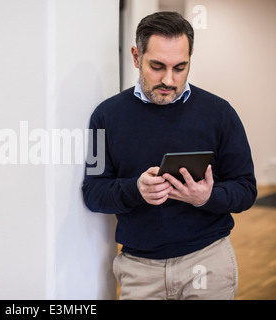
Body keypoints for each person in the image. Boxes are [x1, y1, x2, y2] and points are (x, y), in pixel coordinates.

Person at [82, 11, 257, 300]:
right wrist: (136, 189)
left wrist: (205, 197)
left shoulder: (220, 114)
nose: (168, 79)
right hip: (140, 270)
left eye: (180, 67)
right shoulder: (105, 116)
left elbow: (246, 189)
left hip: (207, 262)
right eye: (157, 66)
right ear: (136, 57)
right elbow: (93, 192)